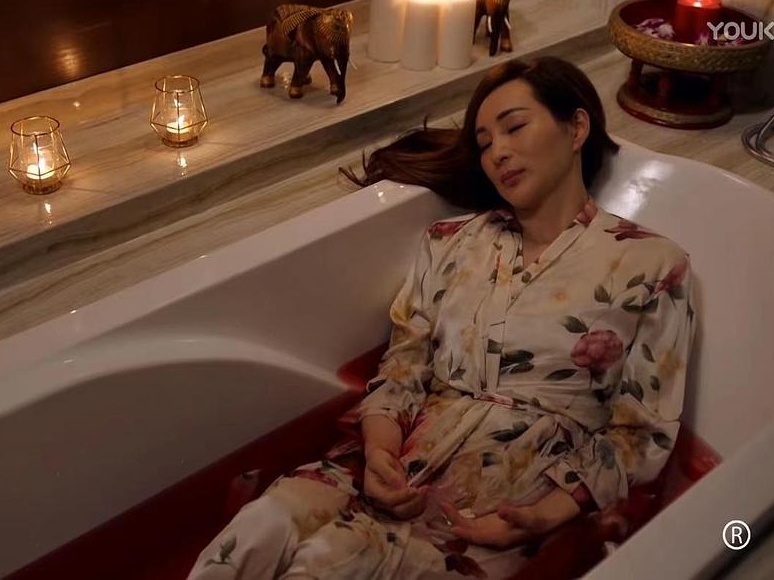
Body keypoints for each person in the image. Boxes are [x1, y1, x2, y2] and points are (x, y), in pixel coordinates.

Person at [186, 56, 698, 580]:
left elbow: (641, 432)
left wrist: (545, 517)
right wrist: (380, 453)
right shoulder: (450, 242)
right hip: (389, 463)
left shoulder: (651, 264)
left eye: (515, 127)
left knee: (332, 561)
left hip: (505, 503)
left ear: (577, 128)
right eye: (484, 143)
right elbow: (403, 367)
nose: (498, 152)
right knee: (262, 528)